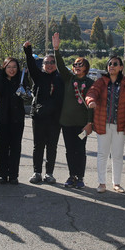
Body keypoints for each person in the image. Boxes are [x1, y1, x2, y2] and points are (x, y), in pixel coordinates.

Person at [86, 55, 125, 193]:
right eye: (110, 64)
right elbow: (92, 92)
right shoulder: (101, 81)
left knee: (118, 155)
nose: (111, 66)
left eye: (115, 64)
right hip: (103, 123)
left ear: (121, 67)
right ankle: (102, 183)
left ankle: (117, 183)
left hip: (119, 125)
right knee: (102, 154)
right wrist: (91, 101)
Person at [52, 32, 94, 189]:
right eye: (75, 64)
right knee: (70, 151)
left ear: (86, 68)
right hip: (67, 123)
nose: (76, 67)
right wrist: (56, 49)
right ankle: (72, 176)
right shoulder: (69, 79)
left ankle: (80, 176)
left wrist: (90, 123)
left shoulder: (90, 83)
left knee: (80, 150)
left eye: (80, 64)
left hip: (82, 124)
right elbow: (61, 66)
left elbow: (92, 104)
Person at [23, 42, 64, 184]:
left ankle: (49, 173)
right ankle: (37, 172)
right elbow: (31, 65)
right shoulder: (39, 76)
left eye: (53, 62)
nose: (50, 65)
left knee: (52, 146)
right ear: (43, 65)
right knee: (38, 146)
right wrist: (28, 51)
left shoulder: (61, 78)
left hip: (55, 118)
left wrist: (56, 49)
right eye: (47, 62)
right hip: (39, 117)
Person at [0, 56, 26, 184]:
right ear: (4, 67)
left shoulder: (21, 80)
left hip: (17, 118)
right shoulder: (1, 78)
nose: (12, 70)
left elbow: (26, 95)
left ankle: (13, 174)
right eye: (9, 67)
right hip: (2, 118)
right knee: (1, 146)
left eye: (14, 67)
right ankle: (2, 174)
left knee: (15, 147)